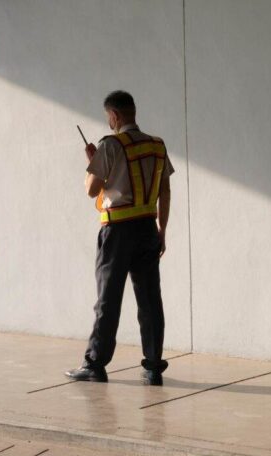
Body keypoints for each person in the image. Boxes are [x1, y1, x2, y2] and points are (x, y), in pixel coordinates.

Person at [65, 90, 174, 386]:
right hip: (148, 229)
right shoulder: (156, 145)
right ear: (133, 111)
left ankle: (95, 364)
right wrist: (162, 230)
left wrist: (93, 163)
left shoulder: (110, 145)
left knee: (108, 300)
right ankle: (153, 366)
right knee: (150, 299)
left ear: (113, 115)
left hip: (117, 233)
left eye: (108, 118)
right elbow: (164, 190)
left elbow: (91, 189)